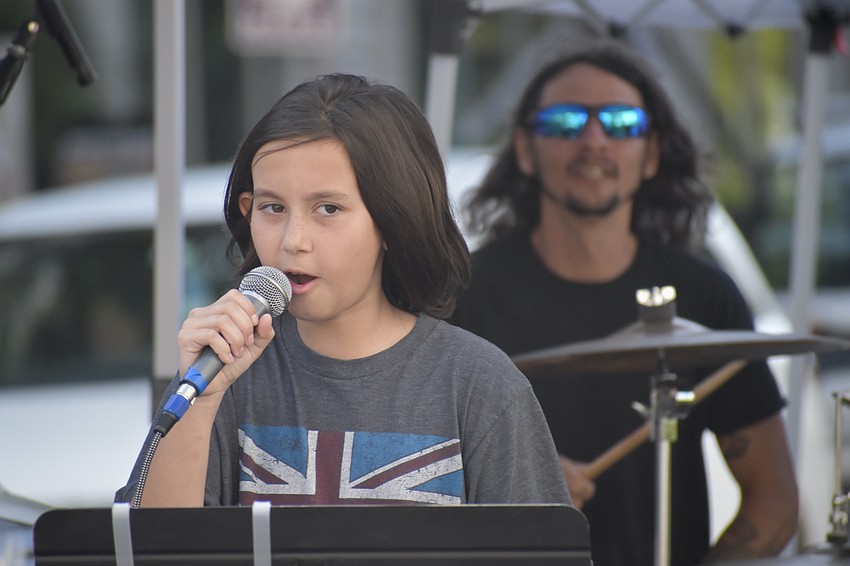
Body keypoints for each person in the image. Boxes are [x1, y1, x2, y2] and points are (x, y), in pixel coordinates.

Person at [115, 73, 571, 509]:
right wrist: (202, 401)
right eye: (273, 207)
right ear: (246, 211)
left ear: (393, 220)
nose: (294, 239)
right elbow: (151, 546)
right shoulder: (220, 371)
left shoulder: (479, 383)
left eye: (327, 208)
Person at [449, 40, 798, 566]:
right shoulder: (464, 296)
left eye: (622, 122)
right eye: (565, 121)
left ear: (651, 153)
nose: (594, 140)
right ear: (525, 149)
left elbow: (774, 500)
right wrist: (509, 484)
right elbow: (411, 484)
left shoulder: (705, 296)